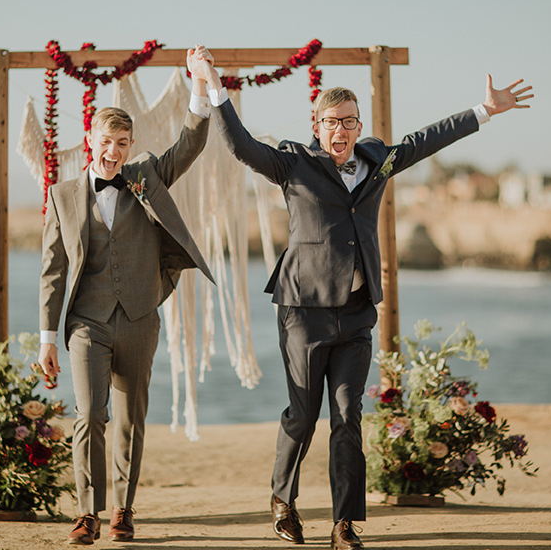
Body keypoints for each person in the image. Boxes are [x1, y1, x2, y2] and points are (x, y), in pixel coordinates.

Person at [189, 46, 533, 550]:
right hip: (303, 313)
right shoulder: (294, 163)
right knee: (303, 416)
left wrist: (484, 110)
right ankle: (283, 501)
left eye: (349, 121)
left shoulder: (378, 160)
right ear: (317, 123)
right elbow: (240, 146)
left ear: (358, 125)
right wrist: (214, 85)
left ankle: (343, 523)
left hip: (356, 317)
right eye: (332, 121)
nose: (341, 131)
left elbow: (425, 140)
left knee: (348, 417)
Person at [38, 51, 215, 545]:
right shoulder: (63, 194)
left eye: (121, 143)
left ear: (131, 144)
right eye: (105, 142)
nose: (112, 152)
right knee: (91, 414)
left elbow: (190, 143)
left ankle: (122, 509)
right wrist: (46, 338)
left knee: (131, 418)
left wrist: (199, 85)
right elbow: (52, 270)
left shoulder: (145, 177)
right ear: (89, 142)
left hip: (140, 318)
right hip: (85, 323)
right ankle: (87, 513)